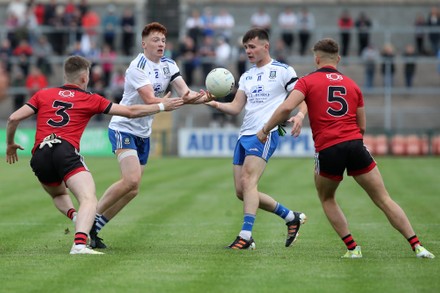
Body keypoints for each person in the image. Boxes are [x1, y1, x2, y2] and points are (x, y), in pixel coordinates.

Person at [257, 38, 435, 259]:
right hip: (355, 144)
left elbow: (286, 107)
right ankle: (417, 246)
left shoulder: (307, 81)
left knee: (327, 198)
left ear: (316, 58)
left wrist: (266, 128)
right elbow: (362, 126)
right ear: (338, 59)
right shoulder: (352, 85)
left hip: (329, 148)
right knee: (383, 199)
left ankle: (353, 248)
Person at [5, 55, 184, 255]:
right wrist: (161, 106)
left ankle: (76, 217)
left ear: (66, 75)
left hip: (40, 154)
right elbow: (130, 111)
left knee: (58, 194)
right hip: (64, 150)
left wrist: (10, 143)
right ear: (84, 78)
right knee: (88, 199)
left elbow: (13, 118)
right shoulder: (90, 99)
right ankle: (80, 244)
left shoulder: (43, 94)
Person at [90, 22, 204, 249]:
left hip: (144, 132)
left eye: (163, 40)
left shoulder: (169, 64)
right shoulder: (137, 67)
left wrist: (209, 98)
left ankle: (95, 229)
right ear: (144, 44)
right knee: (131, 179)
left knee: (133, 189)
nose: (160, 44)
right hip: (124, 126)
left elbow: (186, 94)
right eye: (155, 40)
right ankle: (88, 218)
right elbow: (150, 100)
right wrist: (166, 103)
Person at [203, 28, 308, 249]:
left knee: (249, 182)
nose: (248, 51)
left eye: (252, 47)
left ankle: (246, 236)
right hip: (244, 135)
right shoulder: (247, 75)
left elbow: (301, 96)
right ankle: (291, 217)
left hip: (265, 133)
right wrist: (212, 103)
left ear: (265, 46)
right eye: (245, 48)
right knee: (242, 192)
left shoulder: (282, 70)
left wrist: (300, 115)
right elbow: (235, 107)